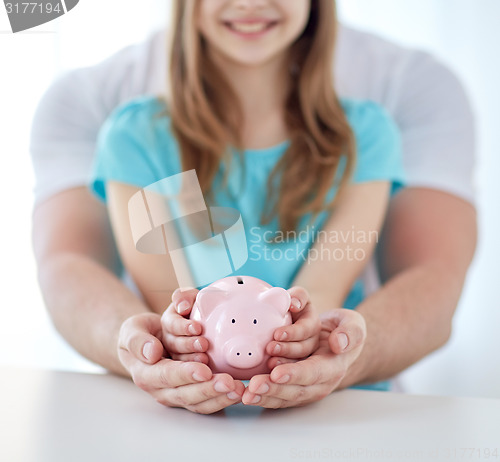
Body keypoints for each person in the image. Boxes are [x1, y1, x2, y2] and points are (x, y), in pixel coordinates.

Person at [31, 0, 477, 414]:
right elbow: (177, 306)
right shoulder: (139, 137)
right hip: (183, 416)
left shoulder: (365, 135)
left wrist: (303, 340)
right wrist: (171, 342)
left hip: (335, 413)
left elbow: (320, 292)